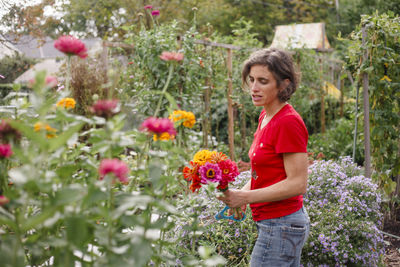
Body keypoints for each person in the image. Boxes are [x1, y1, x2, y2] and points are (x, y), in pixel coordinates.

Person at [217, 48, 310, 267]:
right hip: (276, 224)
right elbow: (265, 172)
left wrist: (246, 198)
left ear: (283, 84)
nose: (254, 88)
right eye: (251, 80)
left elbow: (298, 183)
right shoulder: (266, 115)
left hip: (282, 225)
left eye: (263, 81)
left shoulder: (287, 122)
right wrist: (241, 196)